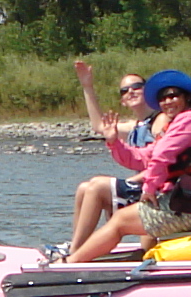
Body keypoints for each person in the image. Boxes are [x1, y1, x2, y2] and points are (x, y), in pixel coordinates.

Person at [62, 70, 191, 262]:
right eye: (163, 98)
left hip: (190, 205)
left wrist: (149, 189)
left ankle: (71, 262)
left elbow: (162, 155)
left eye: (173, 95)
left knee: (120, 221)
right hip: (179, 199)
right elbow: (141, 158)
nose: (168, 101)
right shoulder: (175, 124)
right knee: (118, 218)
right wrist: (114, 142)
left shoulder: (190, 120)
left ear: (187, 97)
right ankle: (78, 257)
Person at [67, 62, 157, 248]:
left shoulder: (158, 122)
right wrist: (87, 87)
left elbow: (161, 162)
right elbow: (99, 126)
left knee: (97, 186)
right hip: (140, 187)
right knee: (84, 188)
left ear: (148, 92)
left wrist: (136, 180)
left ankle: (75, 253)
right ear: (123, 101)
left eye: (136, 87)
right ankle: (77, 245)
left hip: (154, 189)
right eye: (124, 91)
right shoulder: (135, 126)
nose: (130, 92)